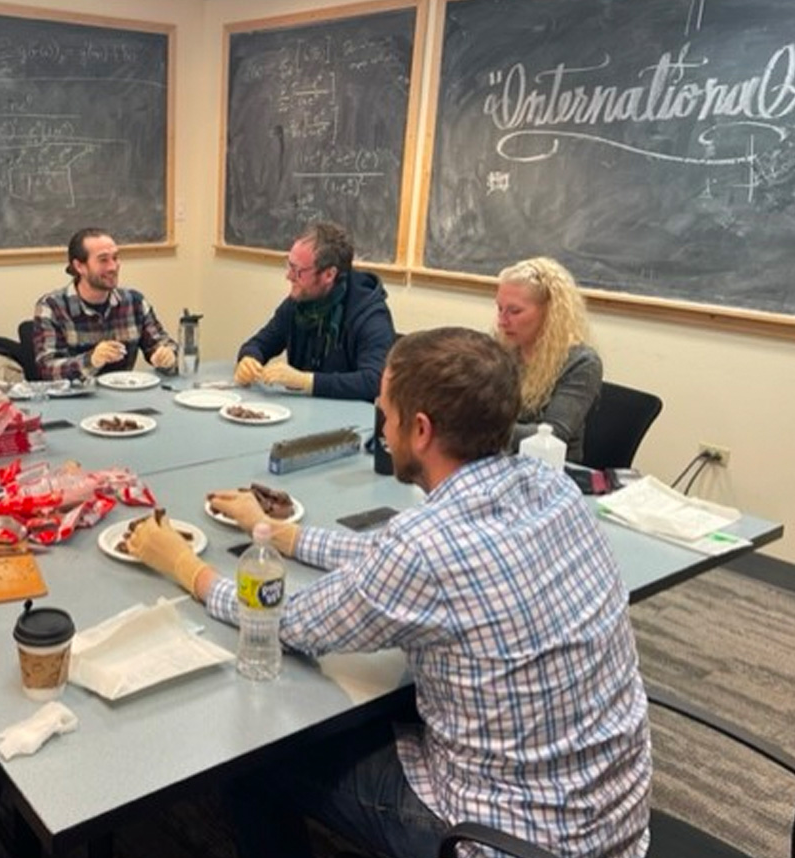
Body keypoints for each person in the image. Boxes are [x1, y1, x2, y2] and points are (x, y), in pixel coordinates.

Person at [128, 328, 652, 858]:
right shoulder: (554, 488)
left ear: (420, 429)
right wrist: (281, 534)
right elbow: (398, 558)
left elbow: (284, 622)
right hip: (615, 820)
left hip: (498, 840)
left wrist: (183, 566)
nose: (380, 423)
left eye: (387, 412)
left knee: (257, 753)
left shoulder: (424, 550)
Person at [233, 222, 395, 401]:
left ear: (328, 275)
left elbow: (374, 381)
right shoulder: (298, 302)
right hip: (301, 414)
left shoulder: (370, 315)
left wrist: (307, 381)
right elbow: (260, 343)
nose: (289, 276)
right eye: (289, 266)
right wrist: (249, 359)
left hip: (348, 422)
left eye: (298, 271)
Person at [32, 227, 178, 380]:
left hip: (123, 397)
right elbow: (47, 370)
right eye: (103, 260)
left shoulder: (134, 302)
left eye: (115, 258)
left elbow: (165, 345)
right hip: (74, 400)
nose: (113, 267)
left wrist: (168, 357)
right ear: (79, 266)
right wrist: (92, 360)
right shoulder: (52, 307)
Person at [495, 256, 602, 461]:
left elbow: (553, 435)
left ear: (551, 312)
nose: (502, 321)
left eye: (514, 311)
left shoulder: (581, 363)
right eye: (499, 308)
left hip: (551, 473)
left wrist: (477, 431)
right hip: (501, 460)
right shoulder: (500, 348)